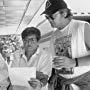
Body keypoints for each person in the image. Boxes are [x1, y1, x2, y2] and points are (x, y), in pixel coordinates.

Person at [41, 0, 90, 90]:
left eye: (52, 16)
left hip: (84, 82)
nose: (49, 20)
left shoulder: (82, 27)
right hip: (63, 82)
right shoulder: (54, 36)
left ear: (64, 13)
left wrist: (74, 62)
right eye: (47, 17)